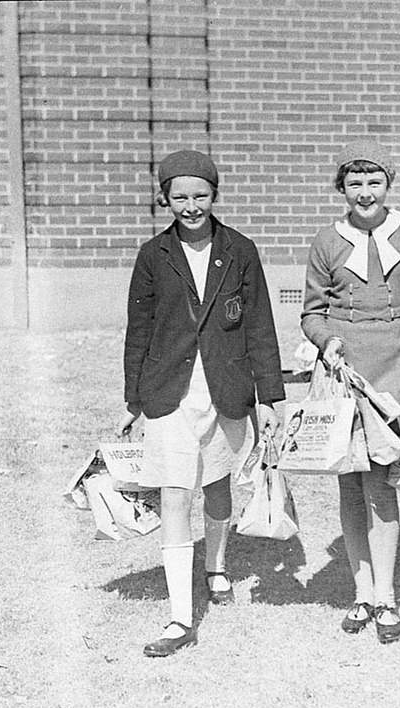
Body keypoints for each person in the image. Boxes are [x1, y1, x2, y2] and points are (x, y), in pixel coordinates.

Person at [117, 149, 284, 657]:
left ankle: (216, 566)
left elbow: (260, 326)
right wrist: (132, 398)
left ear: (215, 196)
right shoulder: (153, 255)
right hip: (170, 392)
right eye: (180, 197)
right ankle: (179, 617)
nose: (191, 206)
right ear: (164, 198)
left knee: (216, 486)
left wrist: (271, 395)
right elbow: (138, 330)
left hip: (226, 390)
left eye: (200, 196)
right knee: (174, 492)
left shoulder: (240, 249)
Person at [300, 140, 400, 644]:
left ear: (388, 186)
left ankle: (387, 595)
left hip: (398, 358)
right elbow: (311, 311)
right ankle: (361, 592)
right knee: (350, 480)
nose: (365, 192)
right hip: (347, 365)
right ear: (342, 190)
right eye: (354, 183)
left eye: (374, 182)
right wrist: (327, 341)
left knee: (383, 479)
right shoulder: (328, 241)